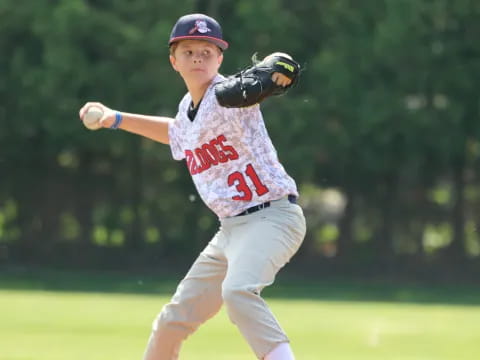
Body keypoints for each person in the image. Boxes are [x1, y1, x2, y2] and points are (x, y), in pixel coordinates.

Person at [79, 13, 306, 360]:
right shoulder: (187, 107)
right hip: (230, 230)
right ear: (174, 61)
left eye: (207, 50)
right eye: (188, 51)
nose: (198, 56)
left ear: (220, 59)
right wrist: (116, 119)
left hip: (273, 217)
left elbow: (256, 85)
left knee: (238, 292)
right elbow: (176, 134)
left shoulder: (231, 95)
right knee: (173, 320)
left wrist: (273, 73)